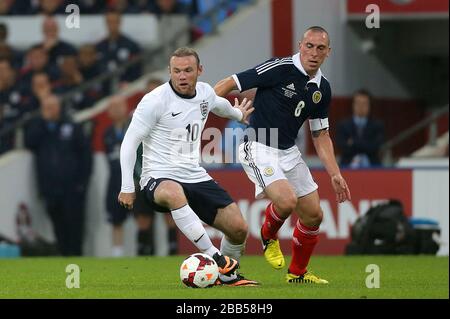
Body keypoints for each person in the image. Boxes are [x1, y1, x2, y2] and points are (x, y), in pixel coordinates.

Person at [214, 26, 351, 284]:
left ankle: (297, 273)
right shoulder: (278, 68)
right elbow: (228, 83)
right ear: (300, 45)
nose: (313, 52)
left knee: (314, 215)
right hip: (257, 145)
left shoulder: (322, 88)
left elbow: (320, 135)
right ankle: (268, 235)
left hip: (288, 152)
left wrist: (335, 173)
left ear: (328, 52)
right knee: (286, 202)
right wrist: (202, 106)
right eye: (309, 46)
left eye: (320, 48)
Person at [118, 47, 258, 286]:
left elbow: (219, 105)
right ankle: (215, 257)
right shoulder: (154, 101)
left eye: (188, 70)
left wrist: (237, 114)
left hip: (194, 175)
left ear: (199, 71)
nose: (182, 76)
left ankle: (227, 276)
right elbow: (129, 142)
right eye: (177, 71)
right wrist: (126, 186)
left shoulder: (204, 93)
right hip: (157, 177)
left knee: (238, 228)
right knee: (173, 192)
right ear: (169, 72)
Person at [24, 95, 92, 256]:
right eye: (46, 107)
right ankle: (63, 259)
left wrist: (82, 183)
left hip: (72, 189)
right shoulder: (39, 128)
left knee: (74, 228)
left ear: (59, 107)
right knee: (58, 227)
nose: (50, 110)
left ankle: (76, 262)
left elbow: (85, 155)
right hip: (50, 189)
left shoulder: (72, 126)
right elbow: (29, 142)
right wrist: (42, 122)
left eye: (52, 106)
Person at [336, 89, 385, 168]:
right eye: (358, 103)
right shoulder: (343, 125)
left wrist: (353, 142)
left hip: (373, 167)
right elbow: (342, 146)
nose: (361, 107)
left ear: (369, 106)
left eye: (364, 104)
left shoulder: (377, 125)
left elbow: (375, 146)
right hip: (347, 166)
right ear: (353, 104)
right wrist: (366, 143)